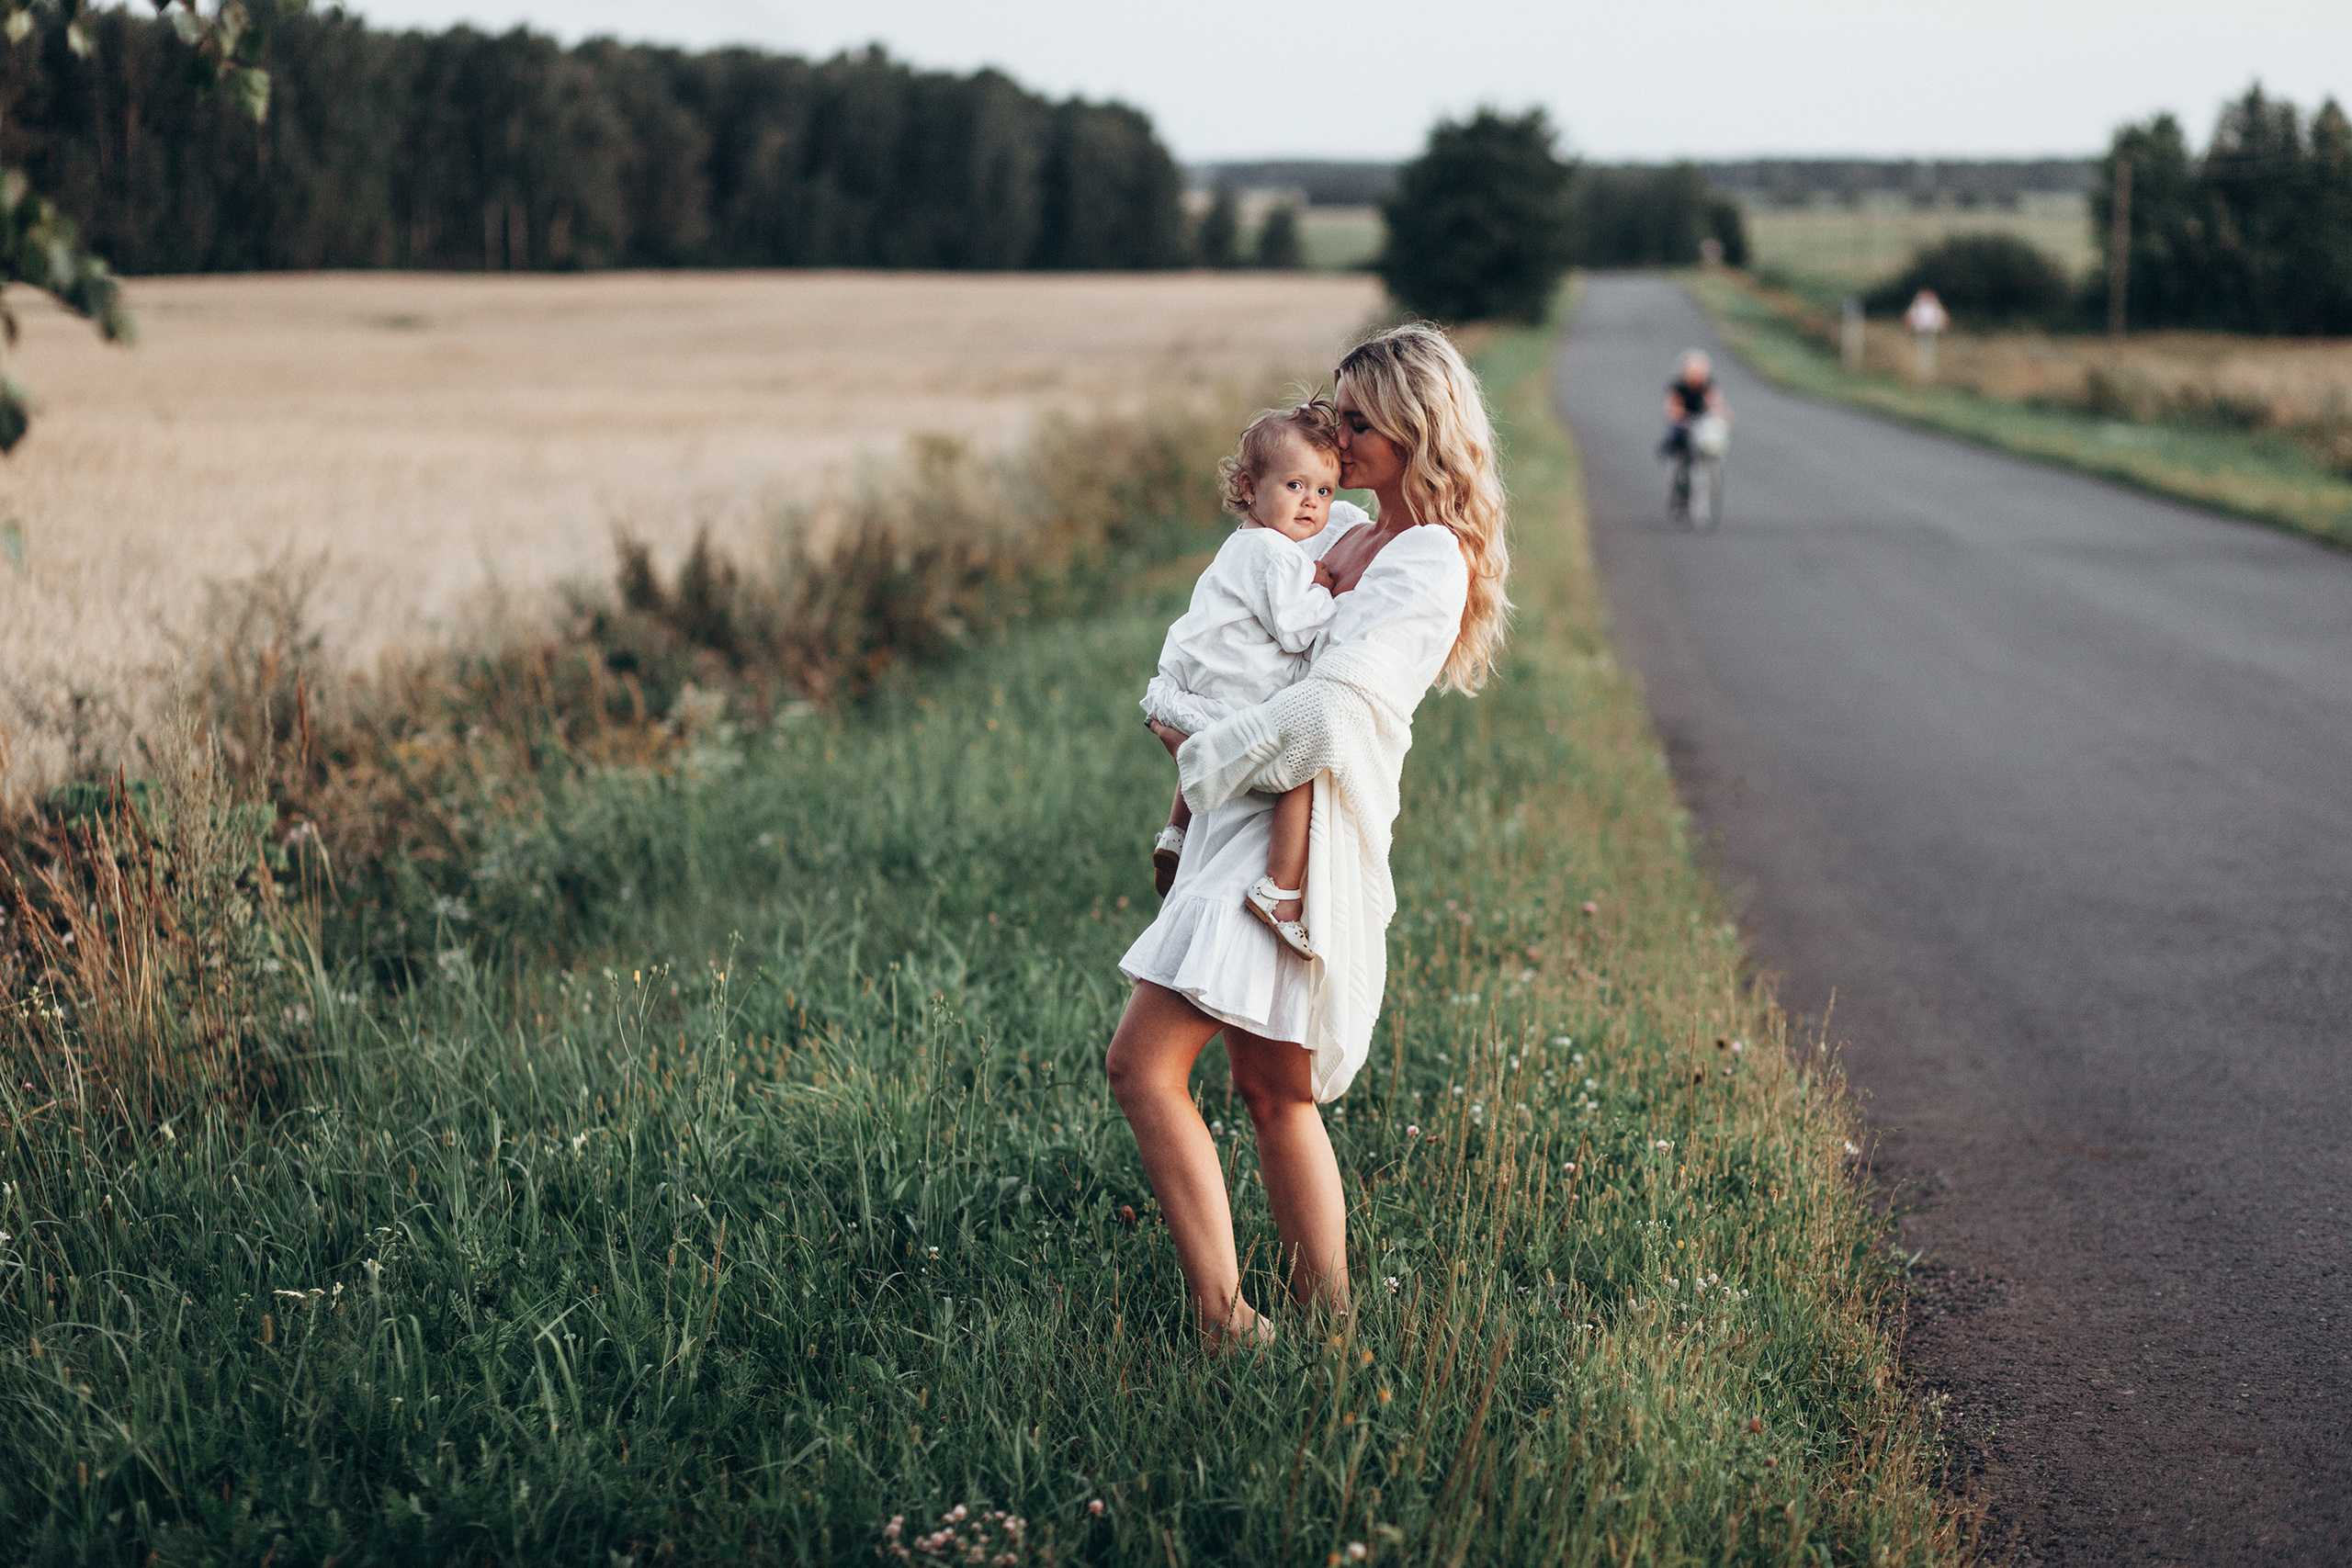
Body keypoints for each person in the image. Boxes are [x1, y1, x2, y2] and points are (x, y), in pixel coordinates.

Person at [1109, 322, 1511, 1349]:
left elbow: (1329, 718)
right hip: (1250, 814)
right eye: (1333, 418)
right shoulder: (1339, 536)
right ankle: (1329, 1328)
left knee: (1144, 1068)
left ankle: (1223, 1318)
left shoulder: (1426, 561)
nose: (1336, 440)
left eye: (1358, 422)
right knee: (1272, 1088)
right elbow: (1244, 633)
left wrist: (1195, 751)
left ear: (1417, 430)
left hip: (1297, 831)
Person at [1143, 398, 1354, 960]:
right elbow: (1293, 628)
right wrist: (1326, 592)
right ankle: (1279, 891)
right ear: (1249, 486)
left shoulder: (1243, 544)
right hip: (1236, 688)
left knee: (1203, 749)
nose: (1311, 502)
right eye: (1294, 486)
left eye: (1325, 491)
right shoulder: (1277, 555)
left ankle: (1176, 834)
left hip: (1198, 682)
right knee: (1300, 769)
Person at [1658, 348, 1728, 458]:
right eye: (1693, 372)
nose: (1696, 376)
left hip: (1701, 419)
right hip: (1684, 419)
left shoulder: (1707, 386)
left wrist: (1723, 415)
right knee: (1675, 438)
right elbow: (1672, 406)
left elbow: (1715, 402)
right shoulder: (1679, 386)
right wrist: (1677, 414)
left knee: (1713, 443)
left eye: (1699, 372)